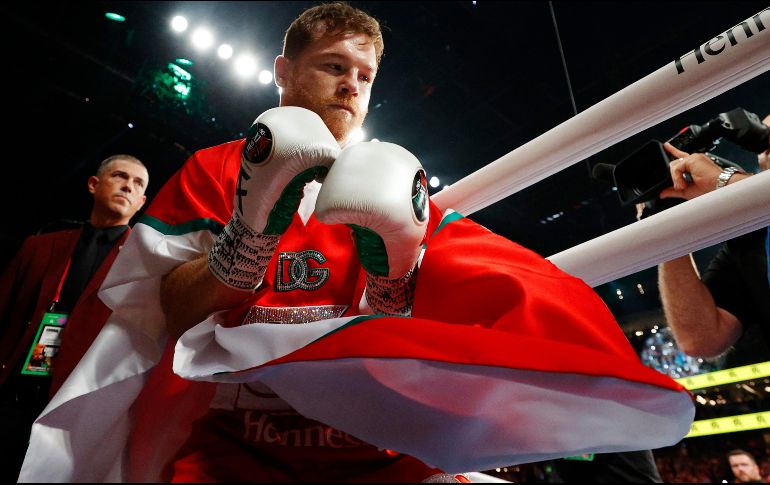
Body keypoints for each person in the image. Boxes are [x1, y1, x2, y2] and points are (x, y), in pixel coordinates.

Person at [19, 3, 694, 483]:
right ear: (283, 71)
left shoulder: (398, 181)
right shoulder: (218, 168)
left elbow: (472, 300)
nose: (351, 84)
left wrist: (395, 277)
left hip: (381, 447)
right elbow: (162, 311)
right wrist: (248, 236)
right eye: (332, 65)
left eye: (364, 75)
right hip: (237, 445)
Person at [0, 154, 148, 481]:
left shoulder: (145, 264)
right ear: (94, 184)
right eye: (120, 176)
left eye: (137, 184)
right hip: (13, 394)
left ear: (141, 202)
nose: (128, 185)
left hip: (78, 409)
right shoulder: (40, 245)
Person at [657, 114, 770, 362]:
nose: (766, 145)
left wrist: (724, 182)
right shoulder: (750, 239)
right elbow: (700, 339)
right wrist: (668, 229)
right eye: (764, 141)